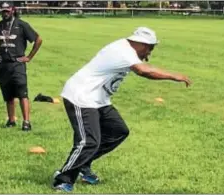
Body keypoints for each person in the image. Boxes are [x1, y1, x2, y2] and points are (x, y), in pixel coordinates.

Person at [52, 27, 191, 192]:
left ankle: (83, 164)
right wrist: (174, 76)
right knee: (88, 141)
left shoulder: (127, 50)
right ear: (142, 44)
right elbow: (143, 71)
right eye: (150, 48)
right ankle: (63, 179)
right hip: (81, 96)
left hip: (98, 100)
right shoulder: (122, 51)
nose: (149, 54)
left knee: (118, 131)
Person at [0, 2, 42, 131]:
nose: (5, 13)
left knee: (22, 92)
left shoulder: (22, 25)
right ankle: (11, 120)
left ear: (13, 10)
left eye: (7, 11)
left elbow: (38, 39)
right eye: (3, 11)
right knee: (8, 94)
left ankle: (26, 122)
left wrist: (29, 57)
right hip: (4, 65)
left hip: (17, 64)